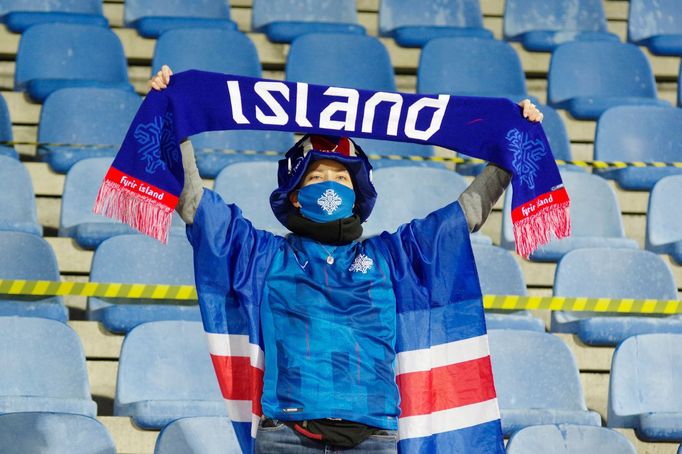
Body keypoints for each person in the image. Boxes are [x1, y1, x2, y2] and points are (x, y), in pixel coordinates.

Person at [150, 65, 543, 453]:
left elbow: (464, 216)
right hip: (285, 436)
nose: (330, 188)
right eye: (317, 178)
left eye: (341, 180)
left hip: (375, 439)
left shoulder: (394, 257)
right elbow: (197, 206)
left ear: (358, 196)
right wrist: (173, 116)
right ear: (293, 194)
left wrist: (511, 145)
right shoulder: (262, 255)